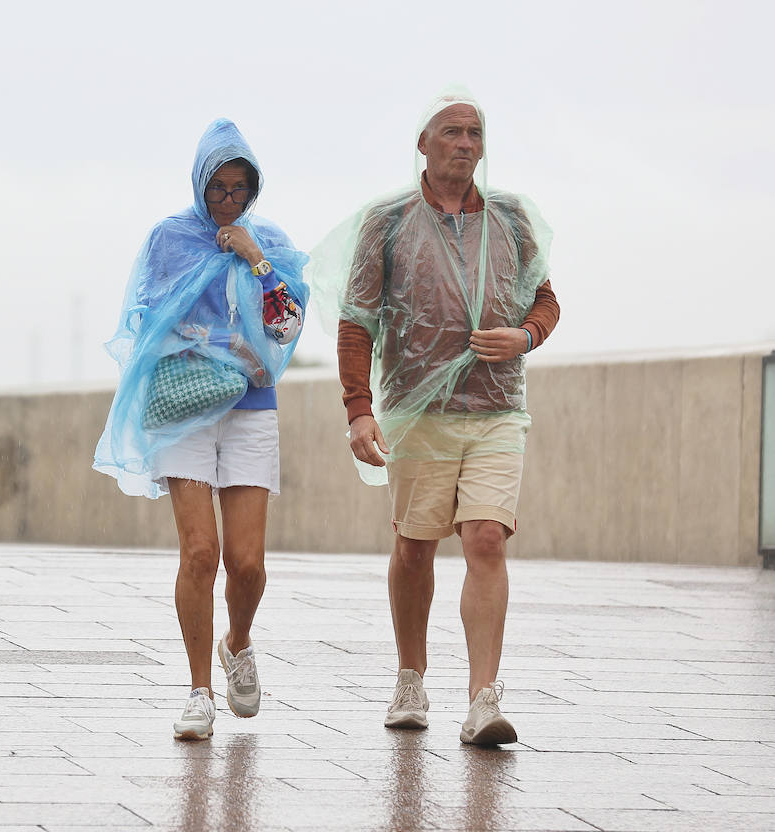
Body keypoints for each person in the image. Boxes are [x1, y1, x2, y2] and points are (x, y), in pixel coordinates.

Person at [308, 88, 559, 745]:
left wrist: (523, 338)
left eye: (475, 133)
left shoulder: (510, 219)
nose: (466, 144)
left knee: (484, 537)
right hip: (419, 411)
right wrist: (358, 411)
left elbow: (547, 301)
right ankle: (411, 675)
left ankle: (483, 697)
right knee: (415, 546)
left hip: (498, 408)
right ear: (423, 143)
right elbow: (357, 322)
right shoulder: (388, 222)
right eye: (452, 132)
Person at [94, 119, 308, 741]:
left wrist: (255, 258)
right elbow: (147, 318)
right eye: (219, 188)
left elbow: (288, 325)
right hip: (186, 403)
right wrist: (208, 340)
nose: (229, 201)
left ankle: (237, 642)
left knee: (249, 563)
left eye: (241, 189)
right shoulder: (170, 238)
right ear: (199, 183)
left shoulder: (267, 240)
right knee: (200, 551)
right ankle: (197, 692)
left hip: (250, 405)